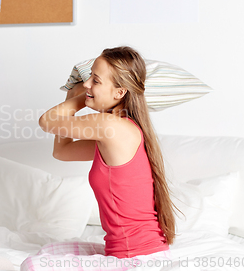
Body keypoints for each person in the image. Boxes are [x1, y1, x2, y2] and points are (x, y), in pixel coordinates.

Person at [22, 46, 176, 270]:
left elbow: (47, 121)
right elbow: (62, 151)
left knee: (33, 265)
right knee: (47, 251)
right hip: (134, 252)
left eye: (95, 80)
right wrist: (72, 95)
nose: (86, 84)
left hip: (137, 258)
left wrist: (80, 100)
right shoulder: (116, 128)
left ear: (119, 92)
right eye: (89, 78)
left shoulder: (109, 125)